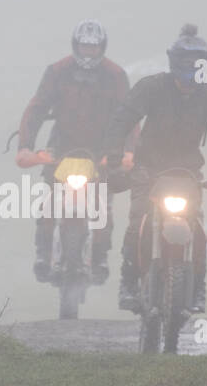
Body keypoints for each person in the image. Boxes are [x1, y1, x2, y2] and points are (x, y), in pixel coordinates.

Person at [104, 24, 207, 313]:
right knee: (136, 225)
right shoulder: (151, 87)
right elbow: (121, 120)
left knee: (197, 229)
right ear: (174, 63)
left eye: (199, 64)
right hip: (147, 170)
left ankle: (198, 288)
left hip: (188, 174)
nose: (193, 70)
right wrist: (116, 163)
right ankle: (128, 283)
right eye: (188, 63)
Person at [15, 21, 133, 283]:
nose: (88, 52)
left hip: (103, 149)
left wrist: (127, 152)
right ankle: (43, 254)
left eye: (93, 47)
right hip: (62, 147)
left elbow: (129, 116)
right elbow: (36, 109)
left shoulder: (115, 75)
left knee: (103, 206)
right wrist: (26, 147)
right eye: (84, 46)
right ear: (75, 45)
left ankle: (100, 256)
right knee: (51, 201)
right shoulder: (57, 71)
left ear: (101, 47)